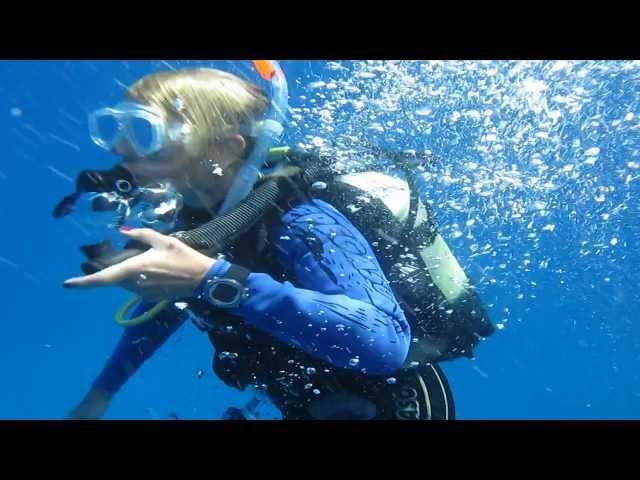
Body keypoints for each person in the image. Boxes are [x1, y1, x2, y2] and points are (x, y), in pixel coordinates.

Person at [58, 62, 494, 420]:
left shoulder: (300, 219)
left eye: (145, 132)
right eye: (116, 131)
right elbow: (162, 307)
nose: (123, 152)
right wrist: (99, 398)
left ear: (226, 149)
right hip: (308, 402)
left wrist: (214, 279)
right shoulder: (196, 232)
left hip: (395, 402)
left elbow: (384, 344)